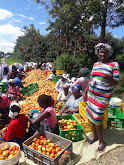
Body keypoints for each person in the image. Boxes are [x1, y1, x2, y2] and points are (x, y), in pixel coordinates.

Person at [83, 43, 120, 153]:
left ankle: (101, 142)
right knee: (91, 116)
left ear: (108, 53)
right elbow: (90, 80)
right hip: (91, 94)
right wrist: (85, 93)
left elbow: (116, 82)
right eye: (100, 52)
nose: (102, 54)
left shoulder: (114, 65)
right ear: (98, 53)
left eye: (104, 52)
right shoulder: (95, 65)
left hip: (103, 96)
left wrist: (109, 78)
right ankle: (94, 137)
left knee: (97, 116)